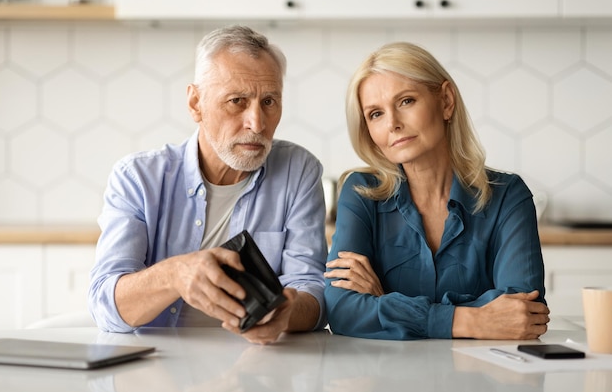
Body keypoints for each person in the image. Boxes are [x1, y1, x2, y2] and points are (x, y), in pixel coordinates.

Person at [89, 25, 327, 345]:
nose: (257, 123)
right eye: (237, 101)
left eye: (269, 101)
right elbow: (106, 306)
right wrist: (175, 275)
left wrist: (288, 311)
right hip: (158, 366)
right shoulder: (138, 178)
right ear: (195, 103)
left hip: (258, 365)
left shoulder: (298, 171)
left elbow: (313, 290)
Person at [324, 42, 550, 341]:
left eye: (406, 101)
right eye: (375, 114)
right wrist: (473, 321)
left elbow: (523, 314)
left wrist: (384, 302)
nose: (392, 124)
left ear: (445, 100)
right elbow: (342, 311)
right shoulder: (361, 192)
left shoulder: (508, 196)